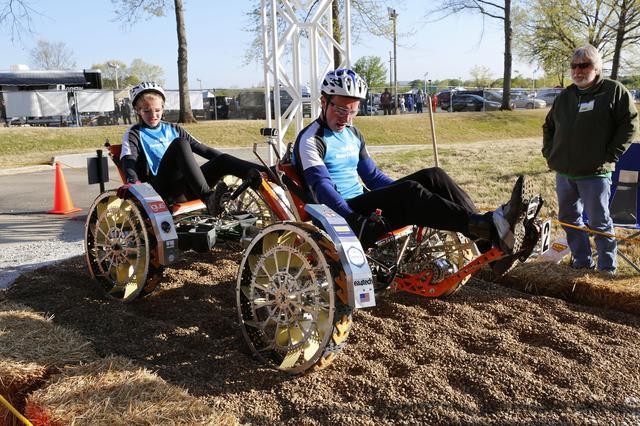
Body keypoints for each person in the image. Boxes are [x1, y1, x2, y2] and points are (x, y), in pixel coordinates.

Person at [292, 68, 535, 273]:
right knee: (410, 191)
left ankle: (489, 242)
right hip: (340, 216)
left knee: (434, 176)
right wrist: (352, 218)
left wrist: (398, 192)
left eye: (353, 111)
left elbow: (373, 177)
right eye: (340, 110)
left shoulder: (353, 134)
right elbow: (321, 187)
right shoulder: (311, 139)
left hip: (361, 206)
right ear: (323, 102)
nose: (346, 118)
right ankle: (492, 226)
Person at [542, 45, 638, 275]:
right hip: (565, 173)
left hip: (595, 173)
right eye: (574, 66)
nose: (578, 71)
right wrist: (550, 153)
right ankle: (583, 262)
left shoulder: (613, 91)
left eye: (584, 65)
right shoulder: (565, 96)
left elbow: (629, 124)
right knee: (568, 219)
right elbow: (549, 126)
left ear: (597, 67)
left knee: (599, 223)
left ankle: (606, 269)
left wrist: (610, 155)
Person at [117, 81, 265, 215]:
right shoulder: (134, 133)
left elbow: (204, 150)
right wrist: (132, 181)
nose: (153, 115)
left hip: (188, 189)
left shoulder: (173, 129)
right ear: (137, 110)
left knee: (223, 159)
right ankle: (209, 199)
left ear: (162, 108)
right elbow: (129, 160)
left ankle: (269, 173)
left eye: (157, 110)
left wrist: (233, 165)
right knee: (180, 144)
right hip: (160, 193)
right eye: (146, 111)